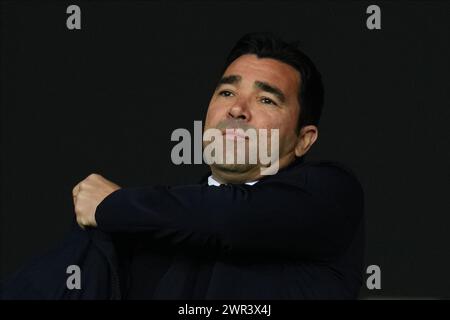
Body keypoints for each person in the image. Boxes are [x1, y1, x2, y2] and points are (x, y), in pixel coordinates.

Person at [1, 32, 365, 300]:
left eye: (267, 98)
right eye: (226, 92)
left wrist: (113, 205)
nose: (237, 109)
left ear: (304, 139)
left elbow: (231, 218)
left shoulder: (328, 194)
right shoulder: (130, 231)